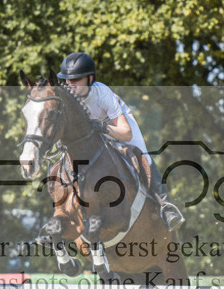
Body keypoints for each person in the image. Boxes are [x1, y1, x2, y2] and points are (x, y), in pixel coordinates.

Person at [57, 52, 184, 231]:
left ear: (90, 78)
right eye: (67, 80)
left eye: (76, 80)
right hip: (91, 134)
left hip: (117, 127)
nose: (70, 84)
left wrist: (101, 126)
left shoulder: (102, 93)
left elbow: (126, 133)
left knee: (141, 155)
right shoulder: (65, 99)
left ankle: (166, 206)